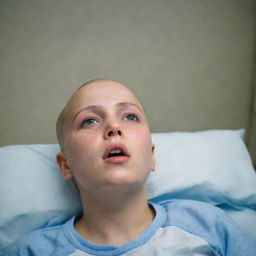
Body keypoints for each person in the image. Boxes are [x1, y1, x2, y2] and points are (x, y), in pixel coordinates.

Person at [2, 79, 256, 256]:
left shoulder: (208, 225)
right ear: (65, 165)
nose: (114, 127)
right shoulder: (31, 251)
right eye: (89, 120)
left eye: (130, 116)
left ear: (151, 156)